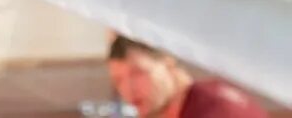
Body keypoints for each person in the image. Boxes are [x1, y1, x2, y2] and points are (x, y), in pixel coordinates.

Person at [107, 36, 270, 118]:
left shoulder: (213, 109)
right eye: (118, 80)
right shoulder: (204, 98)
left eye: (139, 74)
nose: (129, 89)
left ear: (168, 64)